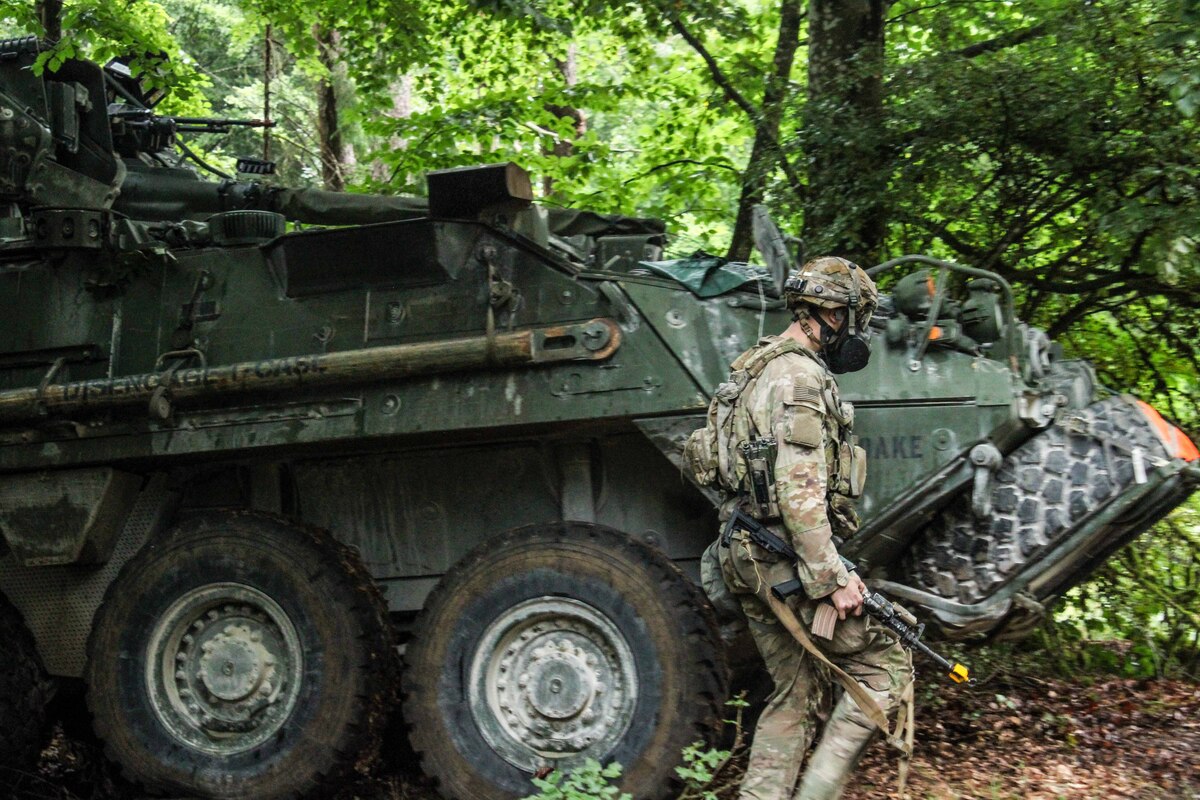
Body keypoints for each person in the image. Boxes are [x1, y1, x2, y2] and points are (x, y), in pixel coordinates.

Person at [698, 256, 913, 800]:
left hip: (750, 553)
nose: (857, 334)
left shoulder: (759, 366)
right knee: (888, 664)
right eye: (856, 319)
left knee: (794, 696)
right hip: (781, 559)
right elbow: (799, 493)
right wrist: (832, 578)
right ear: (833, 313)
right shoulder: (800, 377)